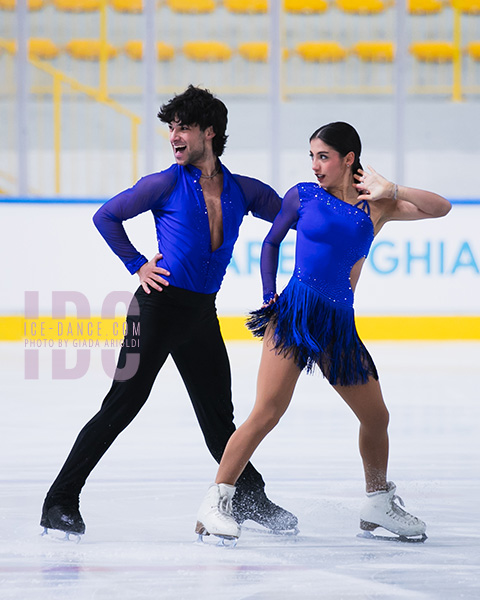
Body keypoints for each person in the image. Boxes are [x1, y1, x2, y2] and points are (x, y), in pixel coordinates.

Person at [40, 85, 298, 538]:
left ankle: (249, 498)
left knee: (219, 416)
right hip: (155, 311)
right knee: (122, 404)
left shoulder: (242, 190)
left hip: (200, 314)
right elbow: (106, 216)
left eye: (184, 127)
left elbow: (293, 216)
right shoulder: (162, 183)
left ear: (210, 132)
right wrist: (137, 264)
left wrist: (348, 201)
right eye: (171, 128)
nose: (174, 136)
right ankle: (59, 501)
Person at [196, 121, 451, 544]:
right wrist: (269, 294)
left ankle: (377, 501)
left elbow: (440, 207)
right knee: (267, 411)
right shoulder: (303, 195)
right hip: (295, 314)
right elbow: (271, 242)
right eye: (312, 156)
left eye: (324, 156)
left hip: (338, 326)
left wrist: (394, 189)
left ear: (349, 159)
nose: (315, 165)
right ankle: (216, 501)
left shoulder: (376, 205)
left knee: (376, 417)